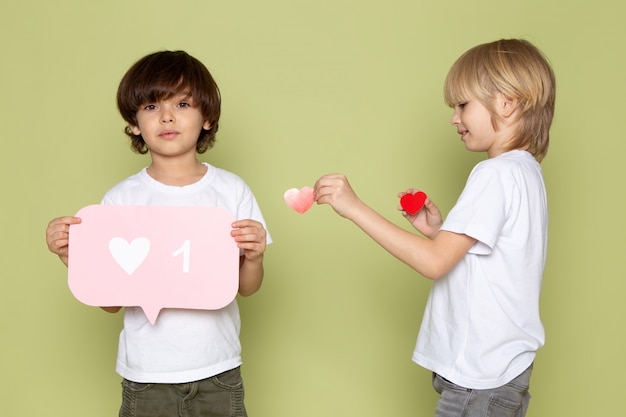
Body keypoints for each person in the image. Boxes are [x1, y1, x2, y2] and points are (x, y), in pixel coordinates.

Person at [314, 39, 555, 417]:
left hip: (480, 381)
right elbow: (491, 259)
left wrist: (354, 208)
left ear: (507, 103)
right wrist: (439, 231)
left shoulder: (494, 174)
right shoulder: (526, 173)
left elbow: (433, 264)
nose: (454, 118)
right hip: (503, 373)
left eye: (463, 105)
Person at [45, 50, 271, 417]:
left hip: (218, 369)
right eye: (151, 106)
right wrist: (72, 256)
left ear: (208, 118)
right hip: (146, 374)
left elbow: (246, 287)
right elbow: (111, 301)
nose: (167, 116)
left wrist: (256, 256)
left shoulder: (231, 191)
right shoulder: (122, 198)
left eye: (182, 103)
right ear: (134, 123)